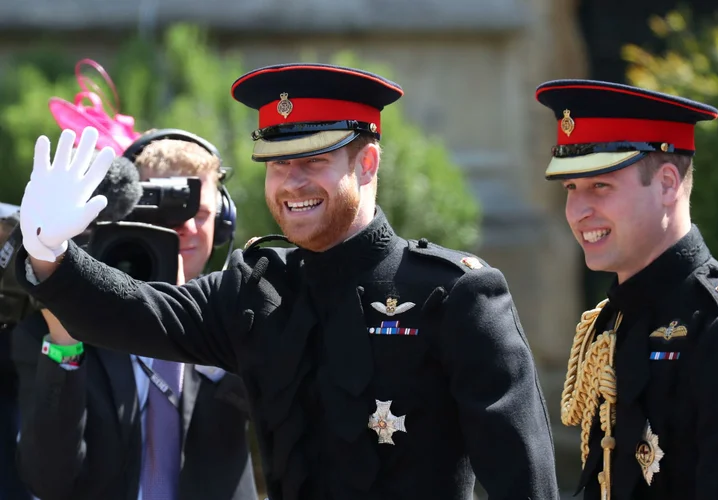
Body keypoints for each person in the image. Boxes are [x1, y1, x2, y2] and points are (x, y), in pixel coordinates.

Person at [15, 63, 559, 499]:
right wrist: (49, 254)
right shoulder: (257, 291)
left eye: (314, 160)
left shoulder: (454, 294)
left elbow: (523, 482)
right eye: (276, 163)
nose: (291, 182)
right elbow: (137, 312)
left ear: (367, 163)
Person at [11, 130, 258, 500]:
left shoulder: (243, 314)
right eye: (166, 211)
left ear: (224, 223)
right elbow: (48, 481)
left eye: (200, 212)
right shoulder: (57, 327)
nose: (185, 227)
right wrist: (65, 342)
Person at [536, 79, 718, 499]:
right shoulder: (611, 321)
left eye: (601, 186)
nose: (578, 212)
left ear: (668, 183)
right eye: (570, 189)